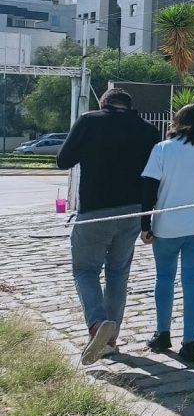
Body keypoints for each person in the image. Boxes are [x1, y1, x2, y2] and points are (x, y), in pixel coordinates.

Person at [57, 88, 160, 366]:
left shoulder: (90, 121)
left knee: (85, 270)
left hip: (95, 210)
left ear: (103, 103)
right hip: (133, 210)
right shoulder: (149, 131)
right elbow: (154, 177)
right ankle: (110, 339)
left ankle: (97, 325)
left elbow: (62, 161)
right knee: (118, 273)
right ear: (129, 105)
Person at [140, 102, 194, 364]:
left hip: (167, 226)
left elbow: (149, 189)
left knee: (164, 278)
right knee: (193, 282)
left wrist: (145, 225)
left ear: (179, 122)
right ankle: (190, 342)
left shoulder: (163, 149)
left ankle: (162, 332)